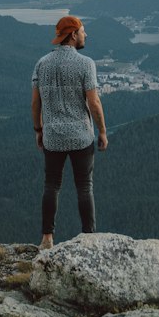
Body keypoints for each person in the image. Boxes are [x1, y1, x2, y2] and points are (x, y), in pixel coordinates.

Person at [31, 15, 108, 248]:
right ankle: (89, 238)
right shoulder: (86, 64)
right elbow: (94, 103)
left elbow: (36, 103)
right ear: (73, 35)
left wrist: (38, 129)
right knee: (84, 186)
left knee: (51, 185)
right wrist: (102, 131)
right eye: (83, 31)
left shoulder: (42, 63)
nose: (86, 35)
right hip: (81, 135)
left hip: (52, 135)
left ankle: (47, 238)